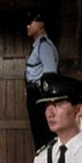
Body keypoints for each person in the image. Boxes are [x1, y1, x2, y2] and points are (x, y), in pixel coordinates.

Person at [25, 11, 58, 151]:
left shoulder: (44, 46)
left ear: (40, 24)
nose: (27, 26)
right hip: (35, 96)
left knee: (44, 138)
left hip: (41, 97)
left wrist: (46, 101)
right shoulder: (38, 46)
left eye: (31, 23)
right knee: (39, 137)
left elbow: (50, 75)